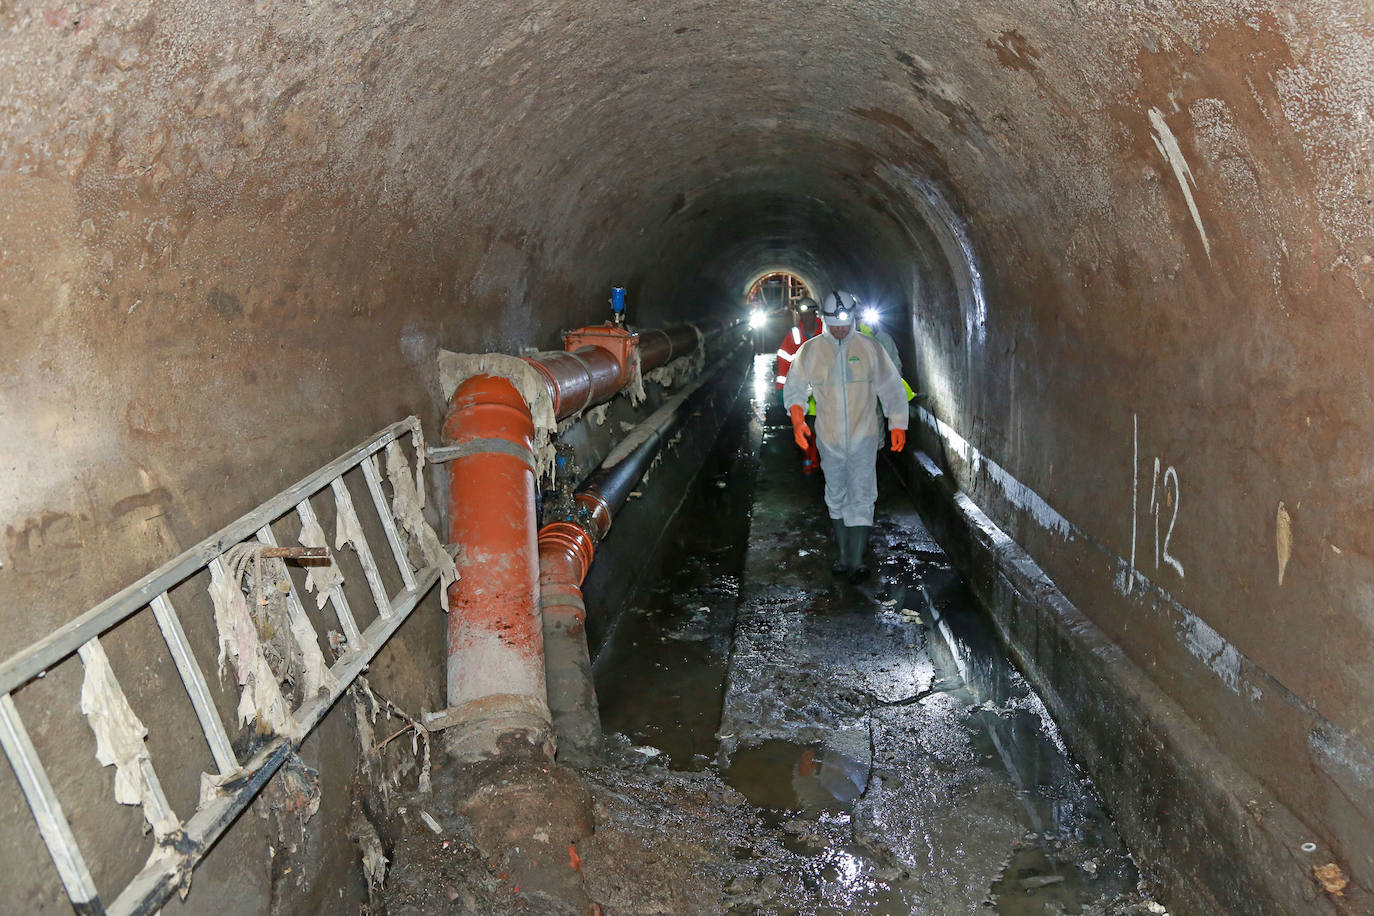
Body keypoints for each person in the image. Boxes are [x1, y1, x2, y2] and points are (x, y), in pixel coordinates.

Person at [783, 290, 908, 582]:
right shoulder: (812, 351)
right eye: (833, 323)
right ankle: (842, 556)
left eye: (844, 322)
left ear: (852, 318)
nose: (839, 329)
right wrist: (798, 419)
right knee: (836, 493)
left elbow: (891, 387)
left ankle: (857, 559)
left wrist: (897, 423)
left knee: (862, 495)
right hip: (829, 437)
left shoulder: (869, 348)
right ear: (824, 320)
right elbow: (795, 387)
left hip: (864, 435)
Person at [775, 297, 822, 474]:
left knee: (821, 428)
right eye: (803, 315)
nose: (806, 319)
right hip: (802, 390)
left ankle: (815, 458)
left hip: (823, 391)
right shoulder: (794, 336)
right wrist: (781, 388)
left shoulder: (827, 332)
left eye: (809, 314)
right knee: (805, 425)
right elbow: (784, 362)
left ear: (814, 314)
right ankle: (808, 458)